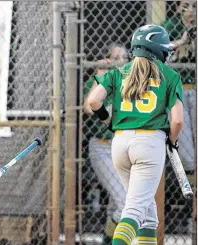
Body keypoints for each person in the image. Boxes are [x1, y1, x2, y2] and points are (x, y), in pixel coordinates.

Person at [87, 24, 183, 245]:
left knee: (148, 214)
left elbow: (93, 101)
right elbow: (177, 120)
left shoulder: (119, 72)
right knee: (134, 210)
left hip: (120, 142)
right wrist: (172, 141)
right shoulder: (169, 75)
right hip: (149, 144)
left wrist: (109, 121)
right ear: (158, 51)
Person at [83, 43, 128, 244]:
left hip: (124, 147)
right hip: (102, 147)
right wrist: (100, 74)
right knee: (125, 202)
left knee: (116, 204)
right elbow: (88, 108)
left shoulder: (130, 81)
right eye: (115, 58)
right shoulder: (98, 81)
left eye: (124, 58)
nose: (120, 62)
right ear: (107, 60)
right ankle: (109, 240)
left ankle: (108, 239)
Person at [162, 0, 196, 176]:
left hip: (195, 89)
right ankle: (189, 195)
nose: (190, 10)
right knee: (188, 155)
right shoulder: (170, 26)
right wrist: (181, 41)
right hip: (177, 90)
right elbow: (155, 49)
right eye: (186, 5)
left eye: (194, 6)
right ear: (177, 8)